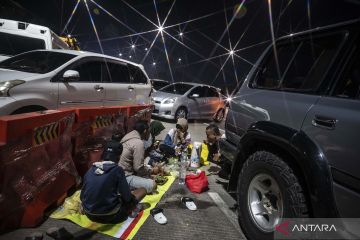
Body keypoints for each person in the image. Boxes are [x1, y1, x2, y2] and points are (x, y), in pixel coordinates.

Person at [81, 139, 146, 224]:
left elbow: (82, 196)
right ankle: (130, 210)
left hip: (90, 214)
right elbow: (127, 197)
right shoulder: (117, 170)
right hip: (111, 216)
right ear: (119, 157)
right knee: (142, 190)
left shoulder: (91, 169)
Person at [119, 120, 163, 194]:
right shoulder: (138, 143)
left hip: (121, 173)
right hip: (124, 177)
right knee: (153, 185)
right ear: (145, 131)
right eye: (149, 131)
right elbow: (138, 168)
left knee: (149, 176)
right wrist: (151, 171)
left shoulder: (128, 137)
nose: (149, 134)